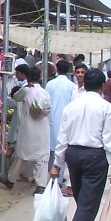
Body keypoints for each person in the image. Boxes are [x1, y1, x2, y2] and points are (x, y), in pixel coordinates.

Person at [51, 68, 111, 221]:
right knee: (89, 203)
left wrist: (57, 163)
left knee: (83, 199)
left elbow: (62, 138)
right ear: (102, 86)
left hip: (73, 155)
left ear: (84, 84)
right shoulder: (106, 108)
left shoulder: (71, 106)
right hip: (95, 156)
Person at [0, 67, 51, 193]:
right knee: (42, 158)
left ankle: (10, 180)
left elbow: (16, 97)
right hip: (43, 129)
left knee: (22, 156)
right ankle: (41, 185)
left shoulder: (26, 90)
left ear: (28, 77)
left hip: (28, 129)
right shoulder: (45, 92)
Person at [45, 60, 76, 192]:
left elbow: (45, 102)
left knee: (51, 151)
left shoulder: (50, 84)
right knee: (62, 150)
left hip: (50, 120)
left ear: (56, 69)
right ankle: (58, 178)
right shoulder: (71, 86)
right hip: (65, 122)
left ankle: (50, 177)